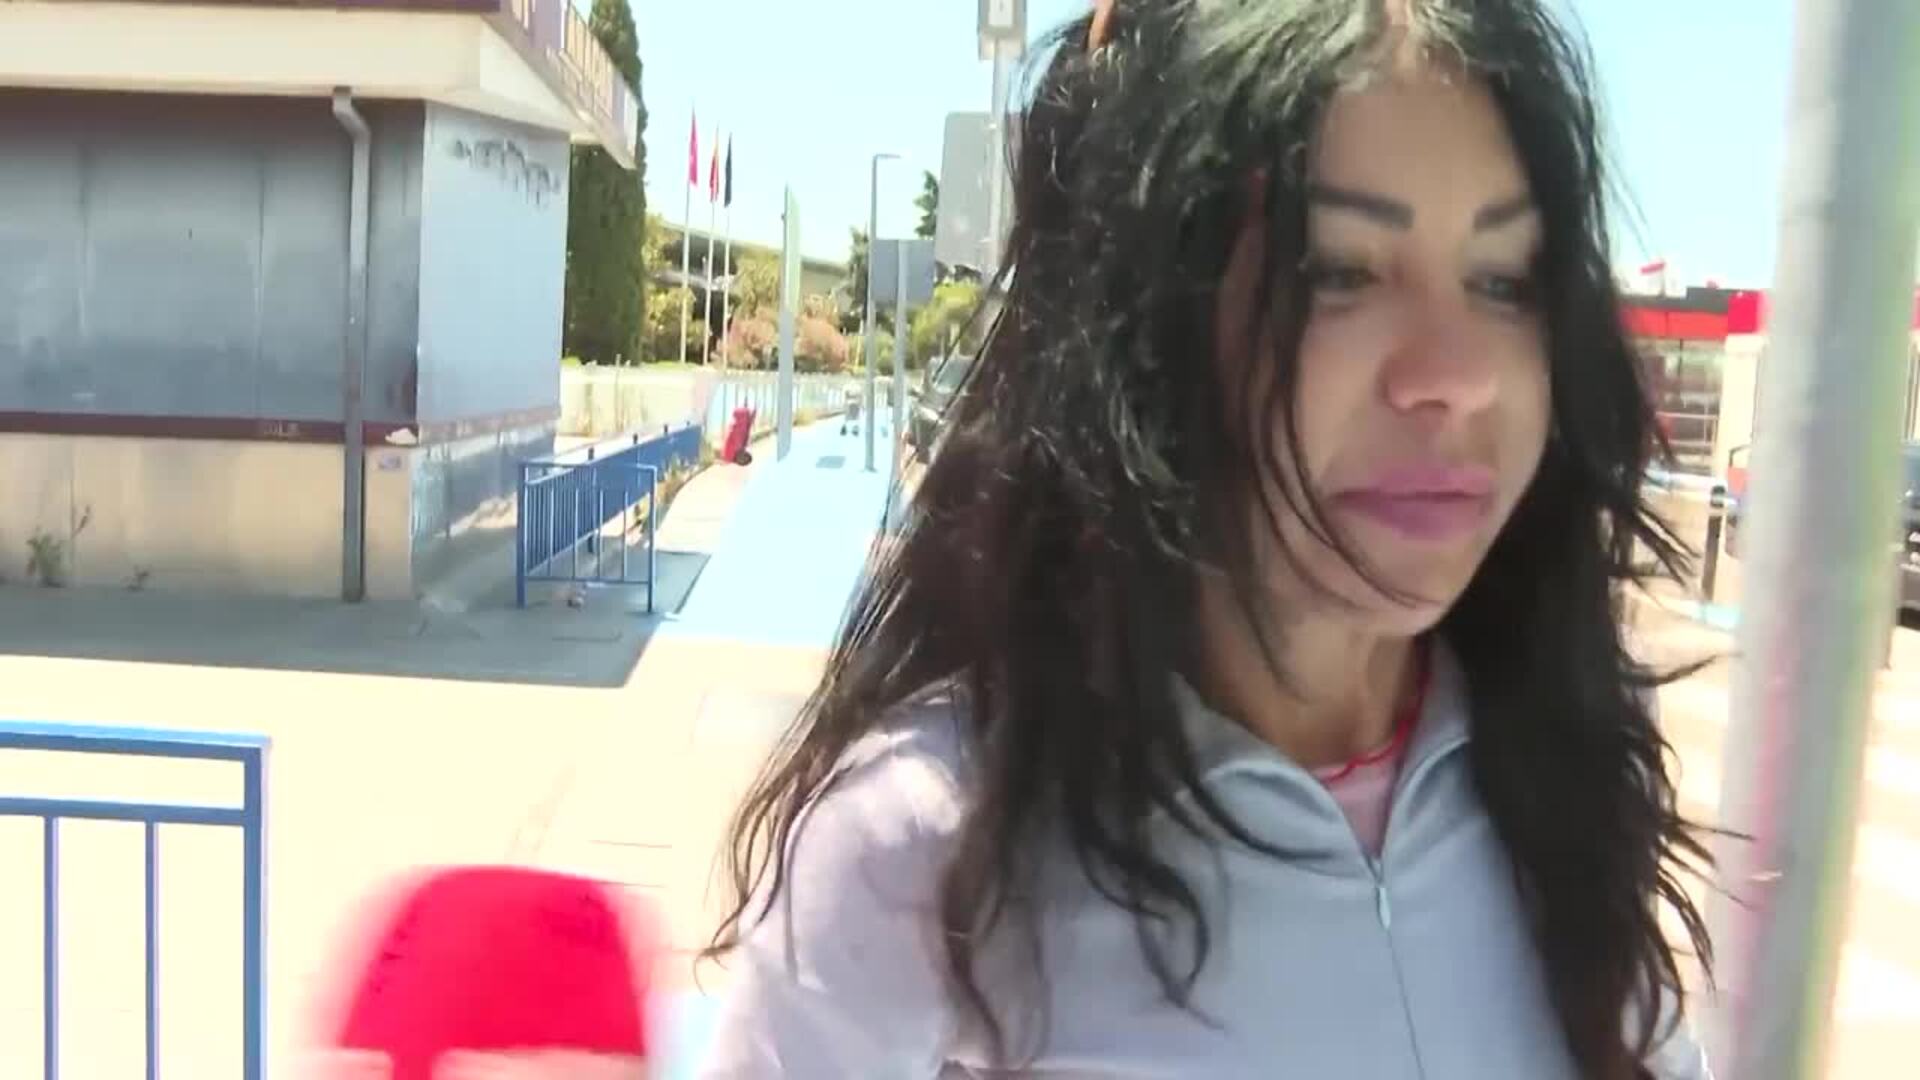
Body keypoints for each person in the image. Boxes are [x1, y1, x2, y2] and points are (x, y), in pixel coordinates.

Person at [701, 0, 1716, 1076]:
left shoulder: (1565, 769)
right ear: (1146, 327)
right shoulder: (924, 847)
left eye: (1504, 280)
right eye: (1339, 271)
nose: (1457, 375)